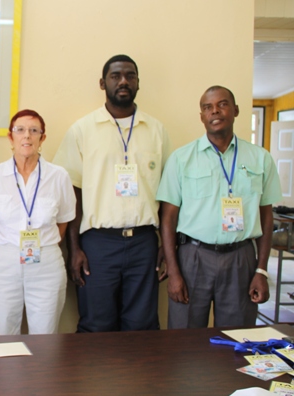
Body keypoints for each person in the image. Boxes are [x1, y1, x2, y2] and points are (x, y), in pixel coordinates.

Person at [53, 54, 170, 332]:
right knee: (97, 324)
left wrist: (167, 245)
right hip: (97, 245)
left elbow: (167, 194)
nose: (123, 81)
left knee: (142, 325)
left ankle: (140, 377)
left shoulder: (156, 130)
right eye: (115, 76)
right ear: (102, 83)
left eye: (130, 75)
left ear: (138, 83)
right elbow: (72, 194)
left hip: (144, 243)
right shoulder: (82, 130)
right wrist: (75, 248)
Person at [157, 86, 281, 328]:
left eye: (222, 104)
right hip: (193, 258)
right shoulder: (181, 159)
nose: (215, 111)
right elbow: (168, 219)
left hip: (241, 258)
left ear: (235, 110)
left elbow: (266, 218)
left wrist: (262, 271)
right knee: (185, 340)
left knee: (237, 339)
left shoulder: (260, 158)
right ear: (201, 116)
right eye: (207, 107)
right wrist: (174, 271)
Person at [0, 109, 76, 335]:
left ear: (43, 138)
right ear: (10, 137)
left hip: (47, 264)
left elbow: (63, 223)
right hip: (4, 261)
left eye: (34, 130)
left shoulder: (59, 176)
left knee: (45, 336)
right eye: (20, 130)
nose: (27, 136)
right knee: (3, 333)